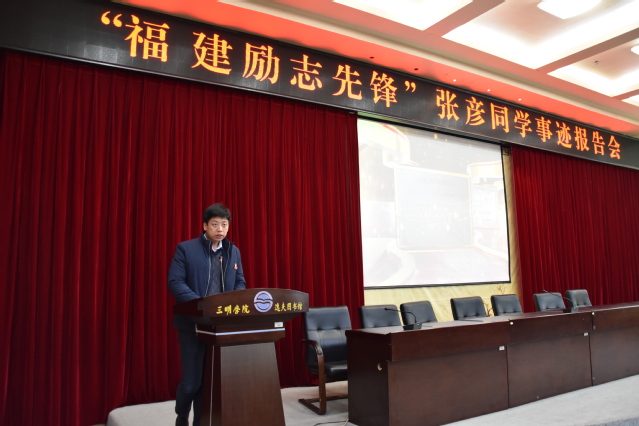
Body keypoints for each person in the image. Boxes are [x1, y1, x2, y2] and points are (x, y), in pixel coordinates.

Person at [167, 203, 246, 426]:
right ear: (204, 226)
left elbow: (240, 282)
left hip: (220, 327)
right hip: (192, 324)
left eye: (224, 224)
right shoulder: (186, 249)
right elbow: (175, 282)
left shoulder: (233, 251)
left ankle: (200, 422)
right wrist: (201, 305)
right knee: (191, 382)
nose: (220, 229)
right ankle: (182, 414)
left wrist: (233, 302)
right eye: (215, 224)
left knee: (209, 382)